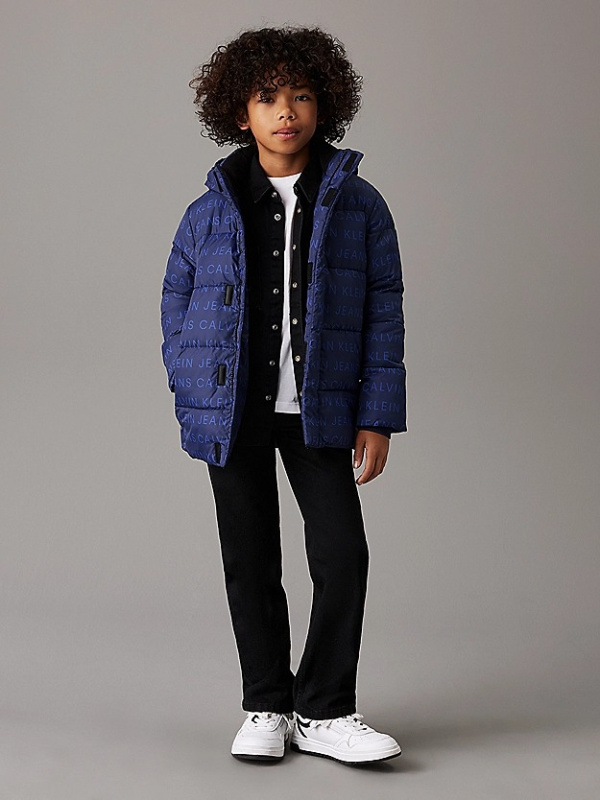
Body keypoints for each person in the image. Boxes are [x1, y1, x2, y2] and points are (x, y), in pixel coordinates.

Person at [160, 25, 406, 765]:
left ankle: (325, 710)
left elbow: (384, 309)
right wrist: (191, 384)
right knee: (250, 560)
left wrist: (377, 415)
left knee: (342, 556)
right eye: (268, 97)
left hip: (320, 409)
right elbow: (176, 300)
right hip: (232, 412)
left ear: (324, 105)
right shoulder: (210, 210)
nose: (286, 111)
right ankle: (266, 704)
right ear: (240, 113)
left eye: (301, 96)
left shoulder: (359, 206)